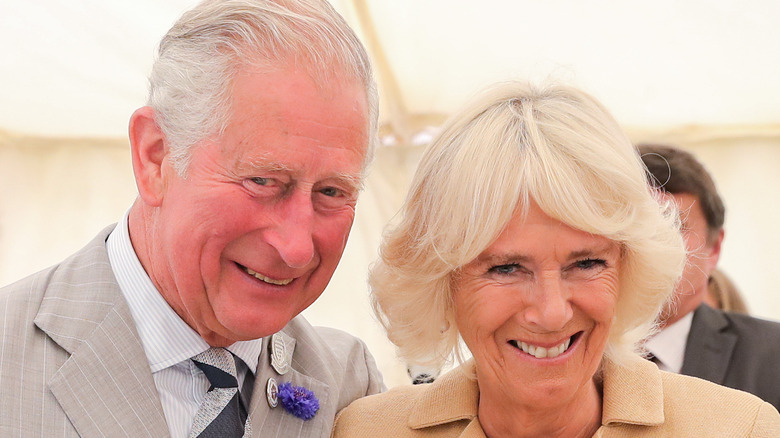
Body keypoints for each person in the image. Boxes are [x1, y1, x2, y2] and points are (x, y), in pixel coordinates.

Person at [0, 1, 384, 436]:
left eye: (331, 192)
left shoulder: (351, 389)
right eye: (262, 180)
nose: (296, 248)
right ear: (156, 157)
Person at [331, 82, 780, 437]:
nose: (551, 312)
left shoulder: (738, 429)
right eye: (506, 268)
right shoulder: (366, 431)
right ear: (440, 282)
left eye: (586, 264)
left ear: (629, 268)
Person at [639, 143, 780, 411]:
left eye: (674, 227)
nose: (653, 245)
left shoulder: (772, 357)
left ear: (714, 248)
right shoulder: (567, 349)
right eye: (639, 226)